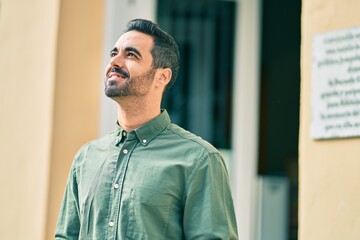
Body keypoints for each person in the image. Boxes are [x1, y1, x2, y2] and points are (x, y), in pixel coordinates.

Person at [55, 18, 238, 239]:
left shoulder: (199, 160)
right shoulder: (86, 159)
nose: (115, 62)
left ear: (162, 76)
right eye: (114, 54)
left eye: (131, 55)